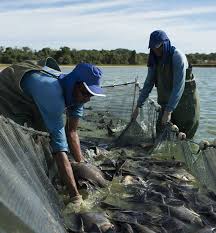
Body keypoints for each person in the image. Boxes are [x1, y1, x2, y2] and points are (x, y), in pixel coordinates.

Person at [0, 57, 105, 203]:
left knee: (44, 134)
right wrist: (75, 196)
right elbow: (59, 149)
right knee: (18, 139)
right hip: (7, 92)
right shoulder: (52, 95)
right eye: (85, 92)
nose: (87, 98)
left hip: (33, 95)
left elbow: (72, 132)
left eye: (91, 94)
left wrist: (82, 164)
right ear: (73, 84)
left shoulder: (79, 94)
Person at [132, 30, 200, 138]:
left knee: (183, 136)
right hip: (166, 101)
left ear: (166, 43)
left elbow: (178, 87)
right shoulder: (153, 59)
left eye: (159, 47)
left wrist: (168, 111)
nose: (156, 50)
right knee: (161, 133)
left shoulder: (177, 57)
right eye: (153, 48)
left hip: (186, 103)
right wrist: (138, 106)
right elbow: (148, 83)